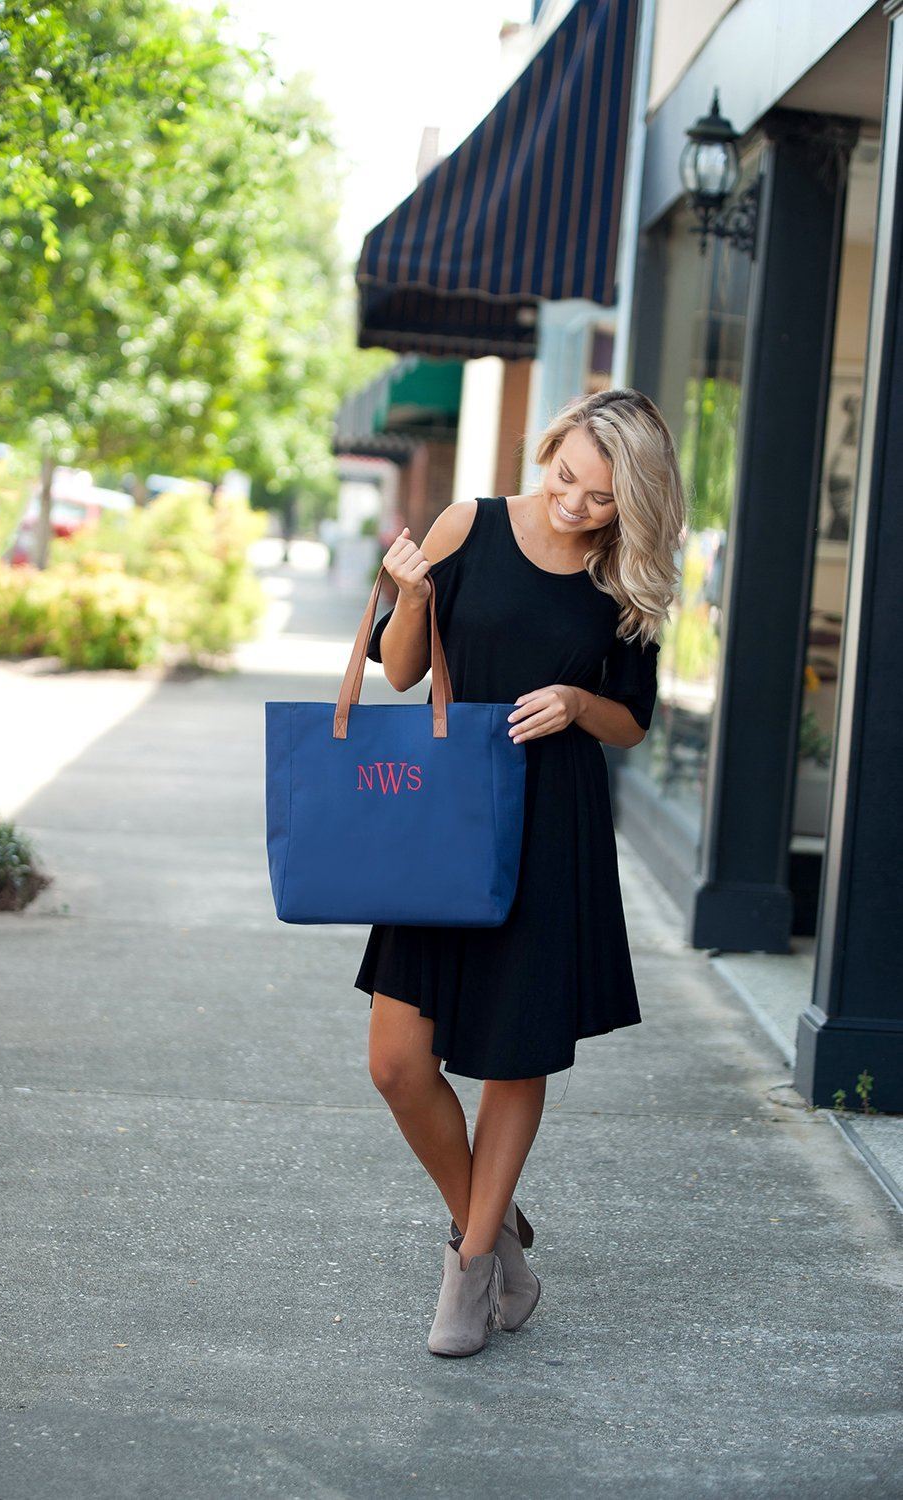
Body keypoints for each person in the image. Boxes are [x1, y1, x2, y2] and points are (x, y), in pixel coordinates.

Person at [353, 389, 687, 1357]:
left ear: (633, 501)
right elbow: (401, 674)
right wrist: (412, 595)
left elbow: (630, 720)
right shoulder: (471, 522)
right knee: (394, 1059)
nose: (574, 503)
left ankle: (466, 1270)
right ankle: (497, 1232)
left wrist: (579, 701)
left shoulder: (626, 585)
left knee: (511, 1053)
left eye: (599, 496)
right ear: (546, 453)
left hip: (551, 828)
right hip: (445, 814)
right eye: (565, 477)